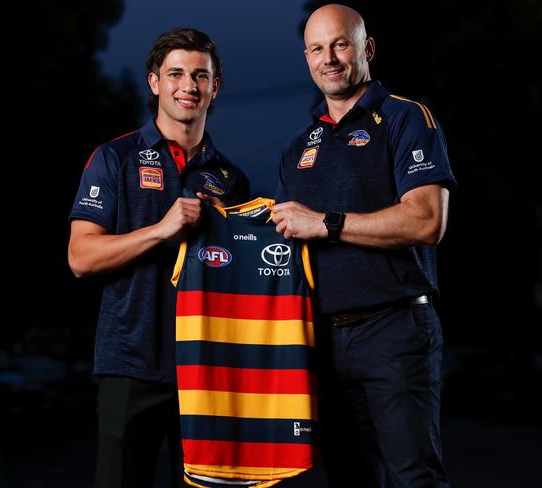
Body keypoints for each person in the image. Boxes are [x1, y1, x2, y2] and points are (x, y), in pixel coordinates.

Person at [272, 4, 455, 487]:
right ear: (306, 58)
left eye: (340, 44)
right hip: (322, 340)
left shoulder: (404, 117)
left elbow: (426, 221)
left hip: (394, 328)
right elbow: (289, 243)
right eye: (316, 48)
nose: (328, 58)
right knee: (348, 477)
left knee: (413, 476)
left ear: (366, 48)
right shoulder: (297, 147)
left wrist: (326, 223)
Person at [67, 28, 250, 488]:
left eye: (200, 75)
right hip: (130, 367)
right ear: (154, 83)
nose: (188, 85)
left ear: (215, 87)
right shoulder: (115, 158)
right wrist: (161, 229)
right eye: (176, 74)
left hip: (208, 372)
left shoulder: (231, 179)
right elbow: (80, 257)